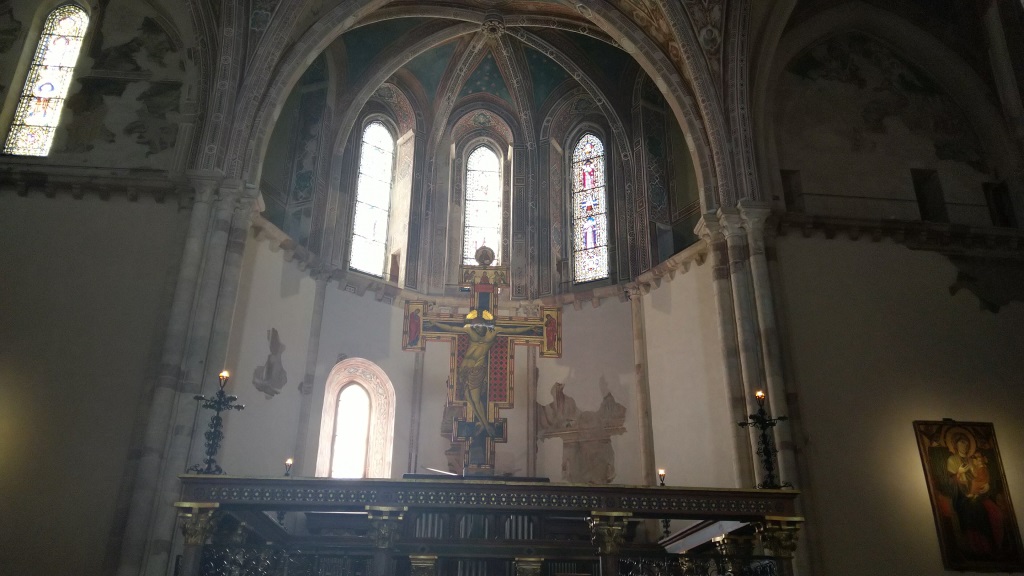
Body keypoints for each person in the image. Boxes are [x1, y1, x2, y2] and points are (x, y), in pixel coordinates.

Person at [426, 309, 539, 437]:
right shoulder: (469, 330)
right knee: (468, 397)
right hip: (464, 370)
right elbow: (451, 328)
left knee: (476, 399)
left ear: (485, 325)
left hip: (477, 369)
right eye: (475, 327)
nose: (478, 329)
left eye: (480, 327)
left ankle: (486, 426)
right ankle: (481, 422)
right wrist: (435, 324)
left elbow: (513, 331)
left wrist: (530, 327)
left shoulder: (493, 332)